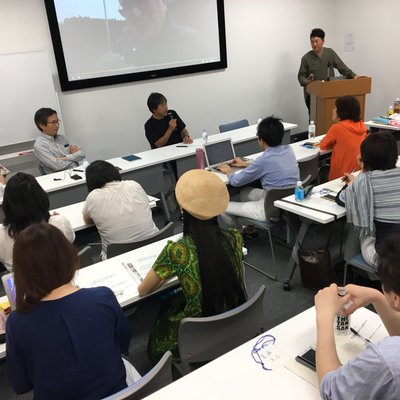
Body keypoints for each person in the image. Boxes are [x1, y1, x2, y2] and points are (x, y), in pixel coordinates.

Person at [5, 223, 140, 399]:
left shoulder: (16, 323)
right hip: (118, 394)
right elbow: (123, 343)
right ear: (68, 256)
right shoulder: (102, 297)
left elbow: (21, 385)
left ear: (22, 272)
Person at [138, 169, 247, 362]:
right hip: (235, 320)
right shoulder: (234, 238)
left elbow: (143, 290)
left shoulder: (178, 251)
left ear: (183, 209)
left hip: (195, 332)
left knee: (163, 318)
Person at [315, 235, 400, 400]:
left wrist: (324, 316)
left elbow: (331, 390)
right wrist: (377, 297)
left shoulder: (388, 360)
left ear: (396, 298)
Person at [218, 116, 299, 231]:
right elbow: (270, 164)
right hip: (287, 199)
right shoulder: (289, 150)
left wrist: (229, 171)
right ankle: (250, 229)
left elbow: (236, 182)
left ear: (261, 140)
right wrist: (246, 164)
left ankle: (240, 233)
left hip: (268, 208)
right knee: (244, 193)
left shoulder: (263, 160)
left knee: (223, 207)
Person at [336, 131, 400, 268]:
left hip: (384, 259)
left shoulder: (364, 183)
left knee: (360, 224)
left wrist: (361, 173)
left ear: (366, 158)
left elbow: (341, 199)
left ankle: (348, 262)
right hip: (395, 249)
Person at [83, 160, 159, 260]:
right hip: (155, 245)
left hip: (118, 256)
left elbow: (87, 221)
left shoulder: (93, 197)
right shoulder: (134, 185)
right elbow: (145, 205)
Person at [0, 172, 74, 271]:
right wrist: (56, 219)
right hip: (60, 277)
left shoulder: (1, 235)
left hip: (21, 280)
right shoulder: (59, 222)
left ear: (7, 205)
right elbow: (70, 241)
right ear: (41, 197)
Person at [298, 28, 356, 113]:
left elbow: (342, 67)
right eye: (312, 42)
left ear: (323, 41)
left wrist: (354, 76)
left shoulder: (330, 53)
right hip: (312, 95)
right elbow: (301, 76)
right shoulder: (306, 58)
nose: (314, 44)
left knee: (329, 116)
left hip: (329, 93)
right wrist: (307, 81)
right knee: (314, 117)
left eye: (316, 41)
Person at [320, 96, 367, 180]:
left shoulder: (337, 128)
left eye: (336, 108)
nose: (333, 110)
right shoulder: (362, 125)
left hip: (341, 175)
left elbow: (323, 146)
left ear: (341, 111)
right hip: (357, 172)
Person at [33, 107, 86, 174]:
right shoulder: (39, 145)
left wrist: (65, 158)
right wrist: (74, 159)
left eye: (57, 121)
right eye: (53, 122)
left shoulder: (62, 138)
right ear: (42, 126)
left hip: (76, 172)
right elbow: (57, 166)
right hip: (59, 177)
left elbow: (82, 154)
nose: (57, 125)